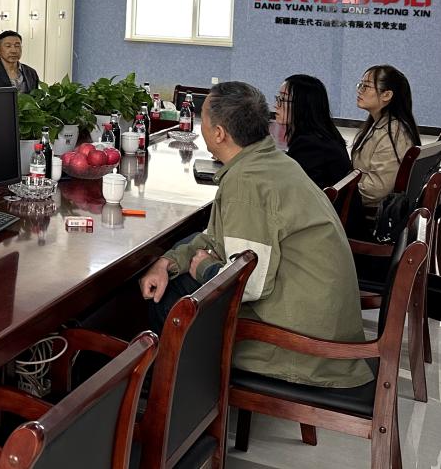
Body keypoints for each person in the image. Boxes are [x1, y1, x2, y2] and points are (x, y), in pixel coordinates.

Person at [139, 81, 373, 388]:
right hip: (314, 321)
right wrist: (168, 262)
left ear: (219, 133)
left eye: (203, 118)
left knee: (174, 300)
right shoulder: (270, 162)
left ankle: (169, 399)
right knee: (181, 261)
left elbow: (249, 284)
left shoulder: (246, 182)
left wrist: (204, 268)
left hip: (305, 349)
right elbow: (217, 237)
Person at [350, 65, 421, 207]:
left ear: (387, 95)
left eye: (366, 86)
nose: (360, 90)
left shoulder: (393, 134)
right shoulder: (380, 124)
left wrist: (339, 195)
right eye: (360, 85)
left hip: (368, 209)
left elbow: (376, 190)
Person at [274, 74, 351, 188]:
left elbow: (291, 186)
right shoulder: (325, 134)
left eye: (283, 99)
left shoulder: (310, 145)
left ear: (303, 105)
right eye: (278, 98)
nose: (276, 105)